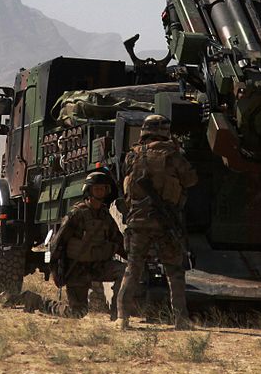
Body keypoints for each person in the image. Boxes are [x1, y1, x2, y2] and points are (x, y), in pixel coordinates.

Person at [116, 114, 198, 330]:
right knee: (174, 271)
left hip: (138, 220)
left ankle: (122, 317)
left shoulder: (133, 155)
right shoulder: (172, 155)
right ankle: (181, 319)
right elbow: (191, 179)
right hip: (165, 222)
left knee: (133, 269)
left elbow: (126, 180)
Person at [49, 171, 126, 318]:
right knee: (77, 313)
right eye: (97, 189)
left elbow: (118, 241)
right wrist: (56, 271)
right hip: (77, 270)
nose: (100, 192)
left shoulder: (105, 216)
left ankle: (117, 314)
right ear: (89, 191)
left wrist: (136, 258)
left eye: (103, 189)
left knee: (124, 271)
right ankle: (40, 303)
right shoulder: (77, 214)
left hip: (99, 266)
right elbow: (57, 244)